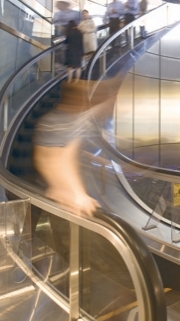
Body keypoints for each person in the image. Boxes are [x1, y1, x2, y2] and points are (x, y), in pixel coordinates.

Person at [32, 77, 121, 217]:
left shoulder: (77, 121)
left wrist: (110, 165)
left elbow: (79, 154)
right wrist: (78, 194)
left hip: (74, 197)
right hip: (63, 202)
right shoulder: (56, 122)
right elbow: (51, 159)